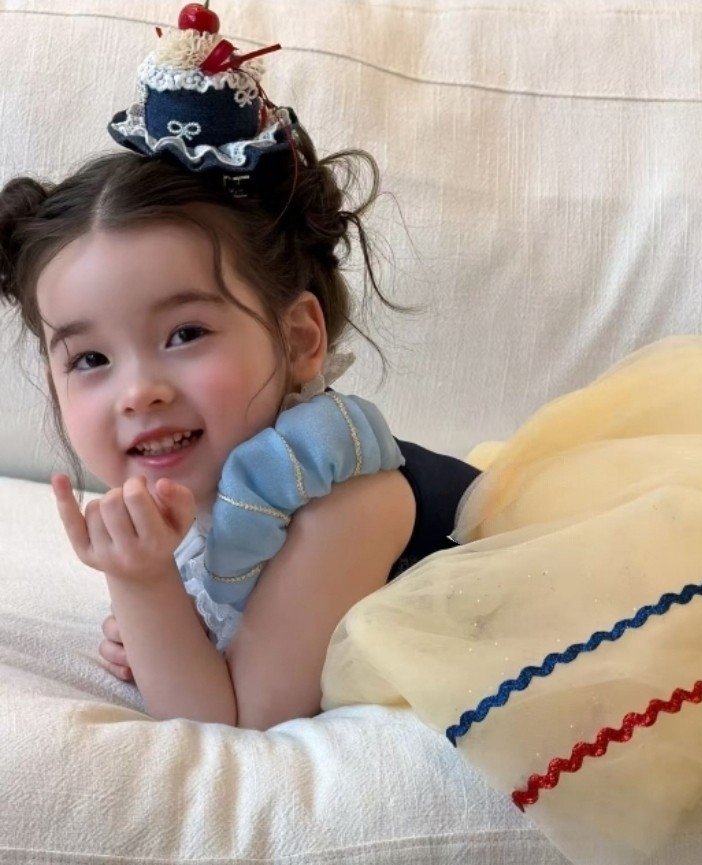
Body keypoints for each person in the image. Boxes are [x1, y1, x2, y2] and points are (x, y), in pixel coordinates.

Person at [0, 10, 478, 729]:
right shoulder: (203, 486)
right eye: (91, 358)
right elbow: (215, 639)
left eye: (186, 333)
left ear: (299, 339)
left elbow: (236, 723)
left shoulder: (342, 502)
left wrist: (143, 587)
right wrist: (162, 626)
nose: (139, 391)